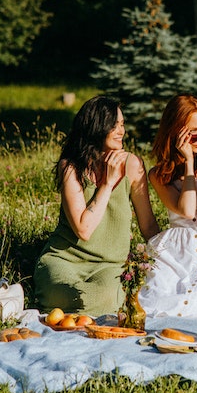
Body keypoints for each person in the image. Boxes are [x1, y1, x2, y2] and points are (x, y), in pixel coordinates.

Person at [34, 95, 160, 317]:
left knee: (105, 297)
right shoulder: (71, 167)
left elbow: (148, 224)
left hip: (109, 267)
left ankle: (74, 310)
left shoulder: (132, 164)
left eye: (122, 124)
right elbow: (84, 230)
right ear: (96, 126)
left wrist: (170, 259)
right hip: (65, 260)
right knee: (68, 292)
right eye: (114, 125)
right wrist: (108, 183)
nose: (121, 131)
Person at [139, 93, 197, 318]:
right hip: (177, 250)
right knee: (155, 300)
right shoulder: (159, 174)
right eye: (194, 133)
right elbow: (187, 210)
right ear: (176, 132)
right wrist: (191, 164)